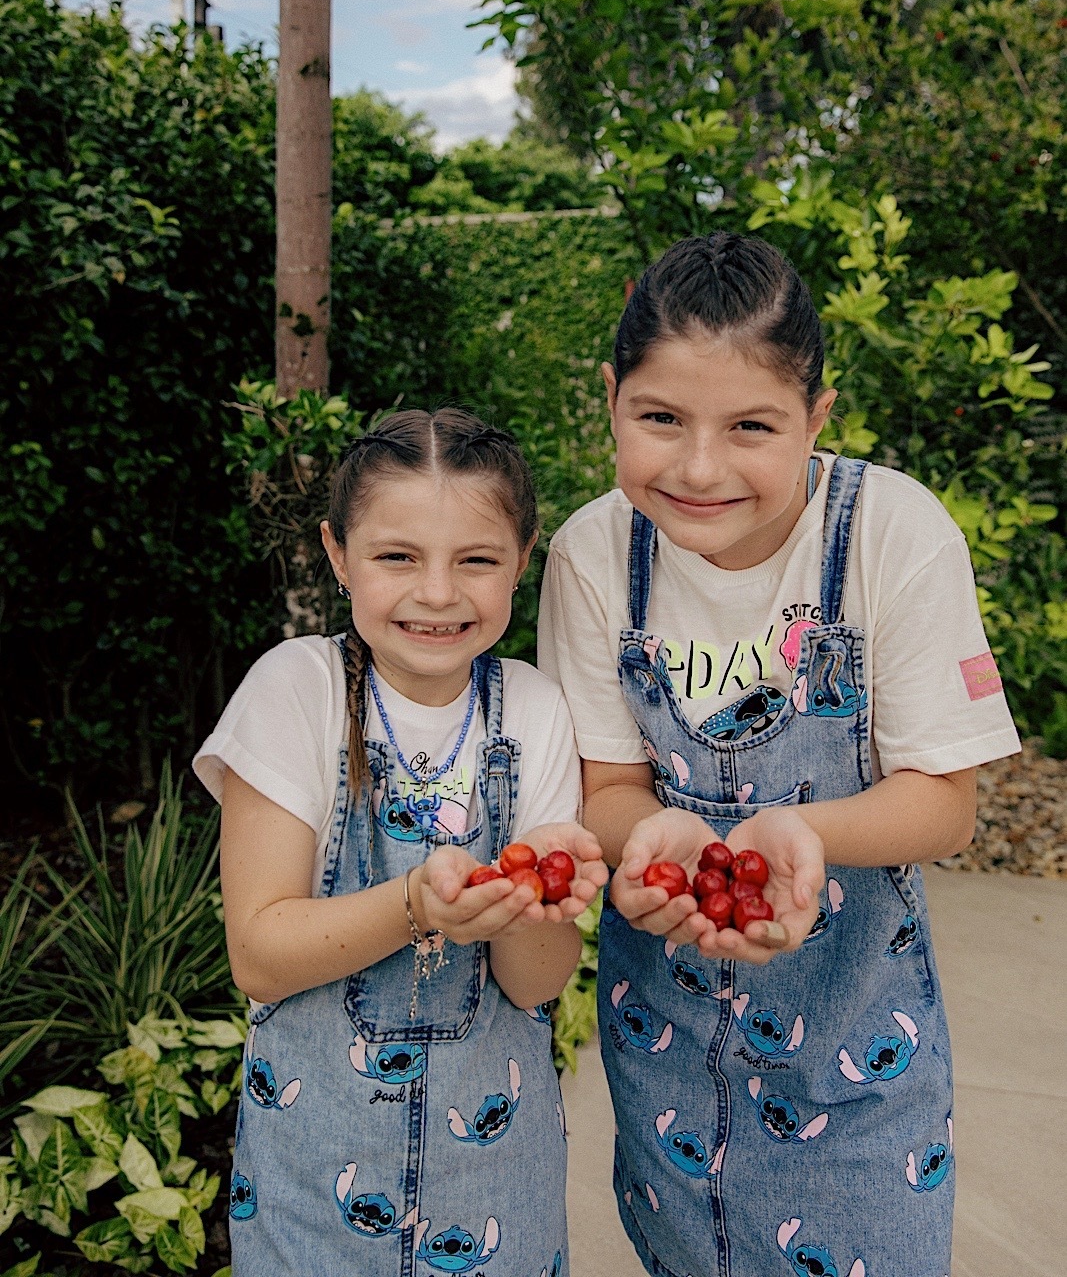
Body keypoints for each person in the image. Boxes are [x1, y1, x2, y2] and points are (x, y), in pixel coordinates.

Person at [538, 233, 1020, 1277]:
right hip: (659, 1024)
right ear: (609, 396)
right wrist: (655, 840)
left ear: (815, 417)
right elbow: (610, 789)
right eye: (658, 417)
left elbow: (940, 801)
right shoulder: (589, 553)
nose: (698, 466)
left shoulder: (890, 532)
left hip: (857, 1032)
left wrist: (799, 832)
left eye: (750, 426)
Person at [195, 408, 606, 1277]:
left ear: (521, 562)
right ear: (338, 553)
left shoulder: (532, 710)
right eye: (396, 557)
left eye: (477, 560)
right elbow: (260, 955)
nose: (437, 593)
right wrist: (416, 901)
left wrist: (532, 902)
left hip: (494, 1182)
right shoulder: (295, 691)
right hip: (316, 1177)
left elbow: (534, 981)